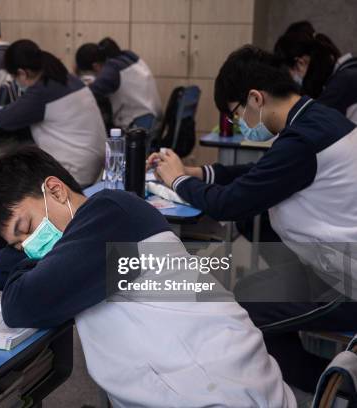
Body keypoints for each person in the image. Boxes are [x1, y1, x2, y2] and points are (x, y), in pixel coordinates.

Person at [0, 146, 296, 407]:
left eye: (26, 228)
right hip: (202, 385)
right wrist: (20, 249)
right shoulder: (91, 229)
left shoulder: (111, 216)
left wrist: (18, 257)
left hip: (217, 393)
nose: (29, 247)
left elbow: (21, 304)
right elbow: (3, 273)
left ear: (55, 190)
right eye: (18, 244)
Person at [148, 45, 357, 392]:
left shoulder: (303, 139)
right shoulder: (315, 119)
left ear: (255, 99)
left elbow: (230, 205)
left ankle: (338, 388)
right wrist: (196, 172)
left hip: (345, 281)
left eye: (235, 114)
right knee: (248, 291)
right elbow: (262, 172)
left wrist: (177, 181)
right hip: (330, 264)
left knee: (248, 312)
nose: (237, 124)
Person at [0, 40, 105, 187]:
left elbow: (3, 120)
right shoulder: (66, 78)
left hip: (74, 172)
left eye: (15, 78)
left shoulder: (41, 91)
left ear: (22, 73)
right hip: (95, 165)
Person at [274, 21, 357, 123]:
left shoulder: (341, 85)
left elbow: (309, 126)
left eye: (288, 73)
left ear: (301, 63)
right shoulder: (349, 71)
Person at [75, 37, 162, 130]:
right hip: (152, 117)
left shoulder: (113, 68)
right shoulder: (129, 56)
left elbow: (91, 92)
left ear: (95, 66)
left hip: (139, 124)